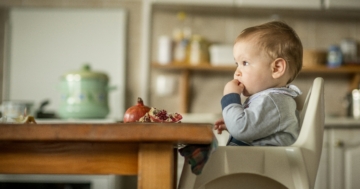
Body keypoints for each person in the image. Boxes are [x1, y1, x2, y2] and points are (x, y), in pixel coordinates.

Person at [214, 21, 303, 146]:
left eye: (245, 63)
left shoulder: (273, 101)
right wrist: (233, 123)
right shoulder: (272, 100)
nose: (237, 72)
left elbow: (241, 129)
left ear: (276, 68)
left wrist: (230, 97)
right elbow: (249, 131)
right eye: (237, 64)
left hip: (262, 165)